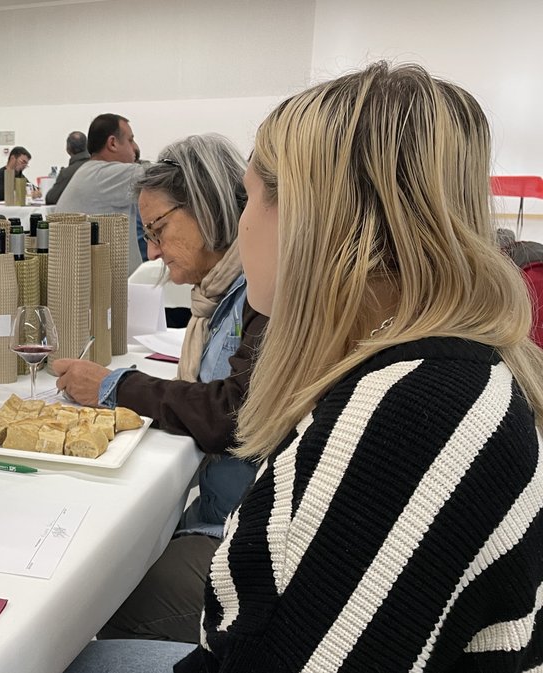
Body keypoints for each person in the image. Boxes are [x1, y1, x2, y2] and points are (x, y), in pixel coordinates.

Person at [66, 62, 543, 673]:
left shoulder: (408, 416)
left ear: (315, 217)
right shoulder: (416, 373)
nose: (240, 222)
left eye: (252, 196)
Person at [53, 133, 264, 644]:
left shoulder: (264, 291)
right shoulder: (220, 296)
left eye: (160, 230)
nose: (153, 250)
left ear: (209, 203)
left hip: (245, 531)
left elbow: (231, 412)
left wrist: (115, 386)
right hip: (230, 511)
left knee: (97, 598)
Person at [56, 113, 147, 269]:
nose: (135, 148)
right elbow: (164, 175)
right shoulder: (105, 175)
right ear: (112, 143)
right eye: (130, 140)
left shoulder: (91, 171)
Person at [45, 130, 90, 205]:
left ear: (68, 148)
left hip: (76, 214)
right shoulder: (99, 166)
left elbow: (51, 198)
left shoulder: (67, 173)